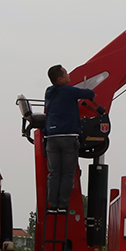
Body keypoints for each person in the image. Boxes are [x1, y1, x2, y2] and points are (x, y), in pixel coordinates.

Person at [43, 65, 96, 213]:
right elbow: (89, 93)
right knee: (67, 173)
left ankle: (52, 205)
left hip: (51, 137)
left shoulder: (49, 92)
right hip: (68, 137)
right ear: (60, 79)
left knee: (54, 173)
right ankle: (63, 205)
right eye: (66, 73)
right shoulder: (69, 91)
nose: (69, 75)